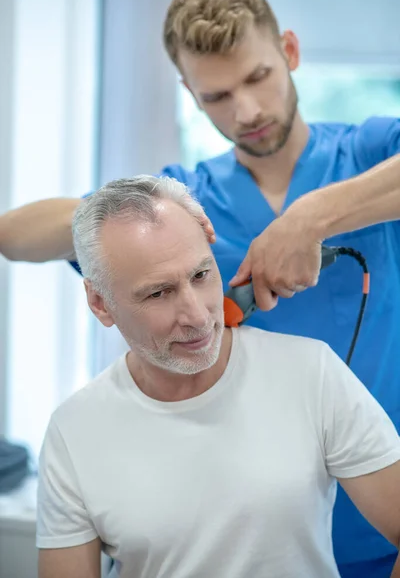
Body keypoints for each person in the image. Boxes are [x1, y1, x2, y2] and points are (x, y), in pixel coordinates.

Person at [1, 0, 399, 575]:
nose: (247, 112)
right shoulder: (190, 206)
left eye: (258, 77)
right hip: (240, 534)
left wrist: (313, 217)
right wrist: (121, 220)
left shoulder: (367, 157)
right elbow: (15, 235)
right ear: (189, 93)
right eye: (216, 95)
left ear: (289, 52)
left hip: (377, 523)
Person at [37, 175, 400, 578]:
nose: (197, 316)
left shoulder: (312, 375)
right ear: (100, 303)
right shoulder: (74, 431)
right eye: (158, 293)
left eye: (201, 275)